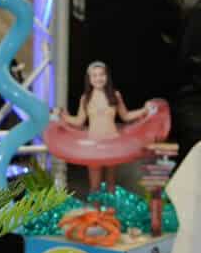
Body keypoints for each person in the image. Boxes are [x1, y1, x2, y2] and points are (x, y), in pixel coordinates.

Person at [51, 61, 151, 192]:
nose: (98, 78)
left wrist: (144, 110)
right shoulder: (85, 98)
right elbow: (79, 121)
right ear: (89, 78)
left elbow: (126, 116)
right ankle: (96, 211)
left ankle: (110, 212)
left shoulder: (115, 95)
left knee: (111, 185)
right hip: (94, 144)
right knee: (95, 186)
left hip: (112, 143)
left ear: (107, 76)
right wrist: (62, 116)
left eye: (101, 75)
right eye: (94, 75)